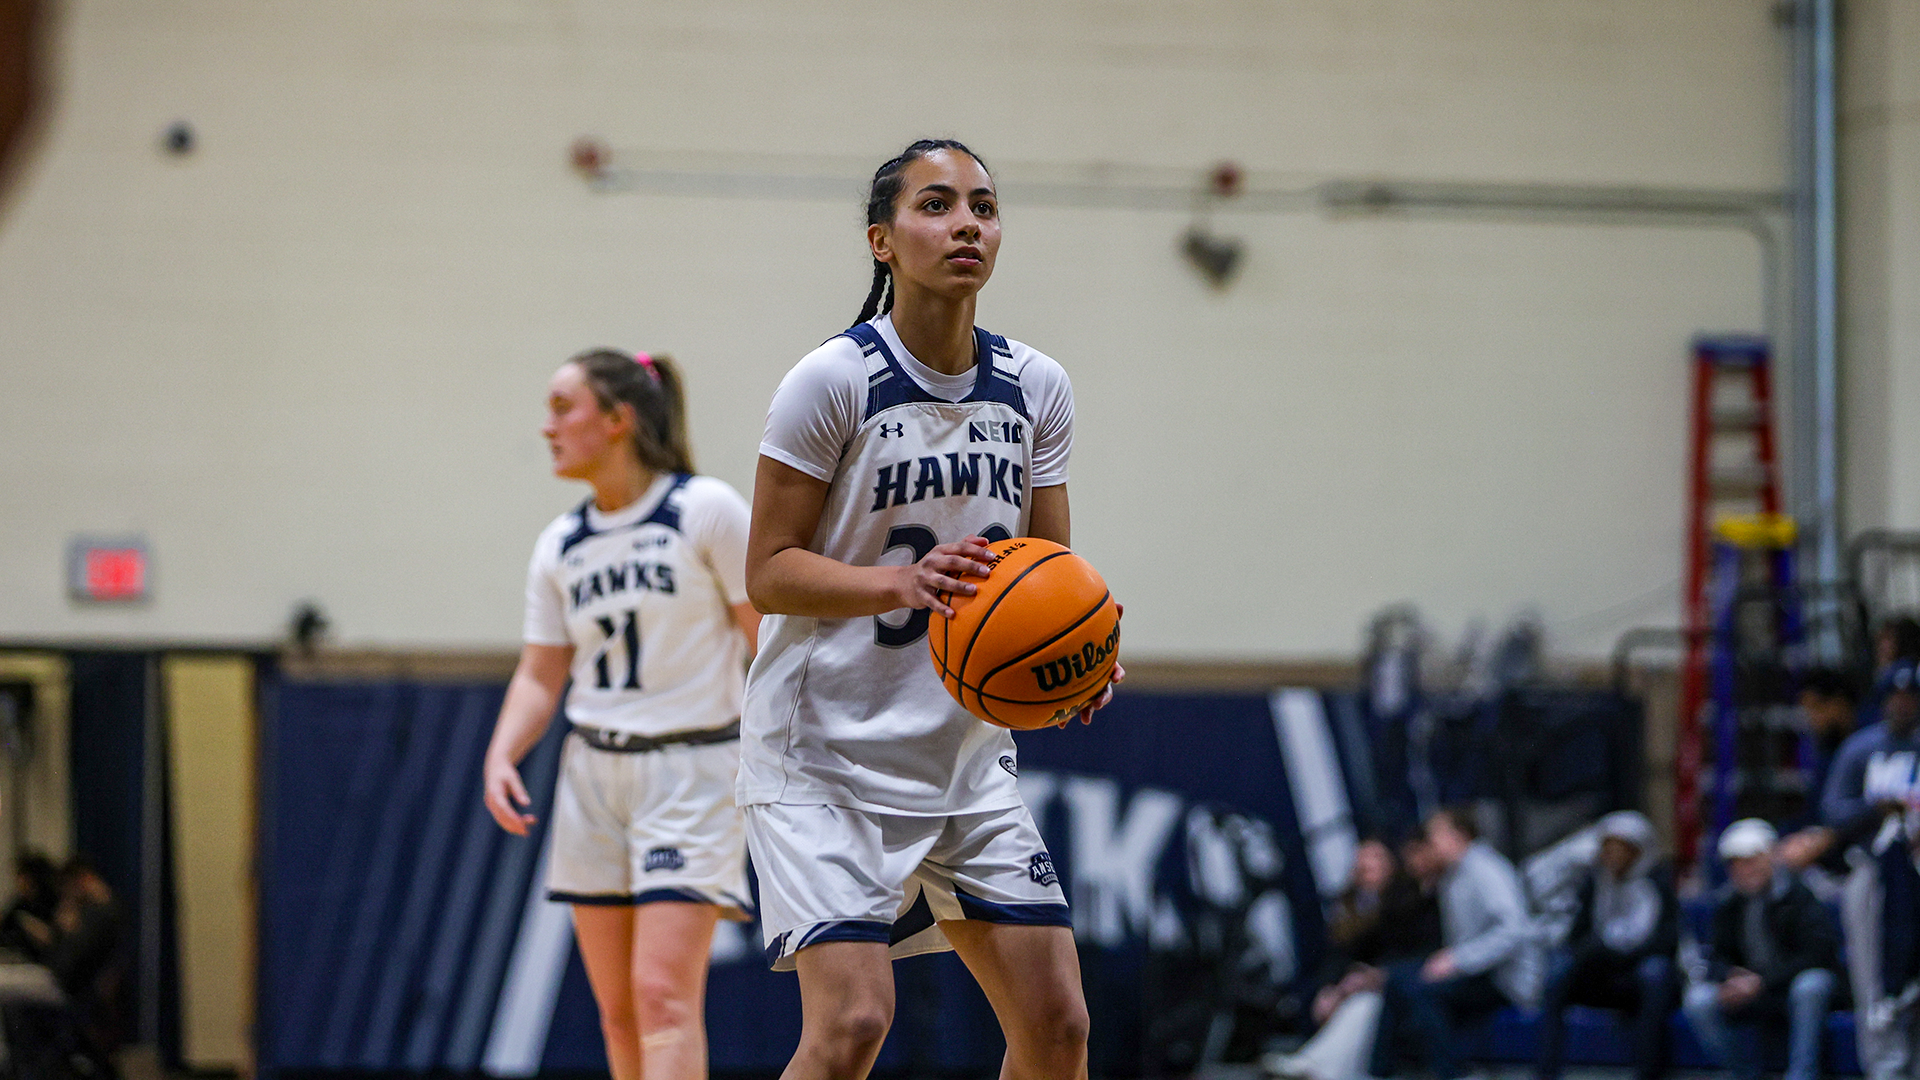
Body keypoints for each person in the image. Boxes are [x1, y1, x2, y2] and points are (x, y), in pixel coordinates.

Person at [739, 137, 1119, 1080]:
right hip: (822, 756)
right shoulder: (833, 380)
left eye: (983, 208)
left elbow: (1050, 568)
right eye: (938, 205)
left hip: (962, 757)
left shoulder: (1037, 387)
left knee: (1059, 1023)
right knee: (852, 1025)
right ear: (882, 239)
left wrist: (1078, 657)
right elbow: (769, 570)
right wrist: (896, 583)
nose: (966, 225)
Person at [481, 349, 758, 1080]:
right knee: (619, 1015)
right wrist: (502, 753)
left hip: (692, 768)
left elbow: (771, 639)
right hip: (592, 775)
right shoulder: (560, 544)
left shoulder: (705, 509)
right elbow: (542, 673)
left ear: (617, 419)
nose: (547, 427)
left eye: (562, 407)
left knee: (663, 997)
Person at [1367, 807, 1543, 1080]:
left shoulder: (1486, 870)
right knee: (1395, 981)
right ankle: (1378, 1073)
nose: (1431, 843)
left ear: (1459, 835)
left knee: (1423, 991)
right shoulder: (1452, 874)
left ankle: (1452, 1074)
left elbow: (1514, 930)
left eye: (1436, 835)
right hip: (1477, 970)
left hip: (1503, 978)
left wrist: (1457, 960)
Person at [1811, 659, 1920, 1080]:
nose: (1903, 704)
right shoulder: (1861, 747)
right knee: (1873, 976)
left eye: (1911, 697)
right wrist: (1873, 809)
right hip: (1872, 871)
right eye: (1896, 696)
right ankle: (1884, 1068)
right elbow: (1832, 813)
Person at [1265, 836, 1443, 1080]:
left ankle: (1314, 1066)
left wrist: (1373, 976)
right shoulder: (1349, 905)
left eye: (1375, 860)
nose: (1367, 867)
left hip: (1395, 987)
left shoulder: (1407, 903)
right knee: (1333, 999)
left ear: (1391, 865)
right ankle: (1316, 1065)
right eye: (1362, 861)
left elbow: (1412, 954)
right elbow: (1338, 955)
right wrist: (1331, 988)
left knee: (1365, 1004)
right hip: (1356, 987)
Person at [1682, 819, 1839, 1080]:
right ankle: (1744, 1073)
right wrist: (1730, 977)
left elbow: (1818, 953)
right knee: (1699, 1000)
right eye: (1736, 863)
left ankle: (1802, 1074)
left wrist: (1763, 982)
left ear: (1770, 858)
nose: (1744, 870)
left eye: (1751, 860)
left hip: (1787, 983)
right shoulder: (1728, 903)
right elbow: (1716, 954)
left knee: (1812, 985)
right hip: (1750, 987)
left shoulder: (1798, 895)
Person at [1533, 811, 1678, 1080]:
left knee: (1655, 973)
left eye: (1618, 850)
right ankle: (1545, 1073)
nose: (1611, 857)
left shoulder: (1657, 883)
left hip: (1636, 976)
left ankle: (1650, 1075)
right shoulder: (1593, 882)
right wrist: (1595, 952)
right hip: (1601, 974)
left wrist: (1615, 953)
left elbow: (1665, 944)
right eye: (1607, 850)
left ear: (1636, 851)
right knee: (1558, 972)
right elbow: (1577, 936)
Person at [0, 851, 58, 961]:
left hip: (44, 962)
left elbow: (51, 939)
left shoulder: (51, 902)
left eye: (21, 876)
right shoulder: (20, 904)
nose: (18, 881)